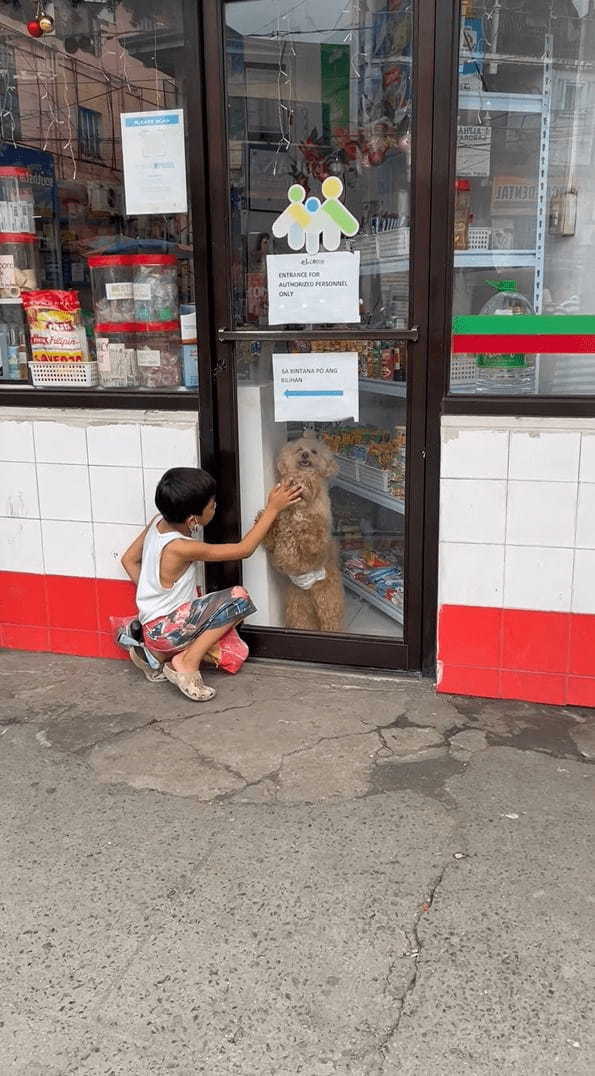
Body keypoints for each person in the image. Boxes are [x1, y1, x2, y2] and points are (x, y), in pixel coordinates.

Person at [120, 467, 302, 702]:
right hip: (168, 629)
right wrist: (273, 508)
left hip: (152, 628)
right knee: (239, 599)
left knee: (235, 653)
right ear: (193, 519)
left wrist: (155, 594)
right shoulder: (181, 547)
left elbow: (128, 560)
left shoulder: (158, 523)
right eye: (212, 504)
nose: (216, 506)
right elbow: (243, 550)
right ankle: (186, 662)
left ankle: (155, 653)